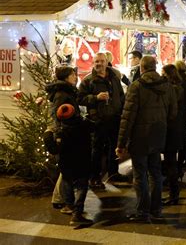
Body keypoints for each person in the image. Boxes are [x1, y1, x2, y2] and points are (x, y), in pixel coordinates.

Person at [116, 56, 177, 221]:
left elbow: (127, 118)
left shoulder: (136, 87)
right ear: (155, 67)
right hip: (159, 134)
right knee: (155, 172)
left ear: (141, 68)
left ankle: (143, 211)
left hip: (140, 137)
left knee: (140, 174)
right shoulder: (167, 86)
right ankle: (156, 210)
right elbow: (173, 113)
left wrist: (121, 143)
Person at [46, 66, 93, 225]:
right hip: (73, 142)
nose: (76, 76)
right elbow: (60, 116)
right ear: (67, 77)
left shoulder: (66, 91)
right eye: (73, 74)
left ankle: (70, 206)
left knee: (67, 175)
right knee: (79, 180)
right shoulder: (63, 95)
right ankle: (74, 210)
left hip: (67, 142)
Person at [78, 52, 126, 189]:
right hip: (98, 121)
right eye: (96, 62)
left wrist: (121, 111)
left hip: (115, 119)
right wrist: (95, 98)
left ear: (106, 62)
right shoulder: (88, 81)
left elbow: (121, 96)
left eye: (101, 61)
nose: (99, 64)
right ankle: (94, 177)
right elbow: (79, 99)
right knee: (97, 150)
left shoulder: (114, 78)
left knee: (114, 148)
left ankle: (113, 173)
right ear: (93, 64)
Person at [161, 64, 185, 205]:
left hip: (172, 130)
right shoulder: (178, 87)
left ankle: (173, 194)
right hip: (175, 129)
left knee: (170, 162)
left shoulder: (173, 89)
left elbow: (171, 110)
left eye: (163, 72)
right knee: (171, 161)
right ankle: (173, 193)